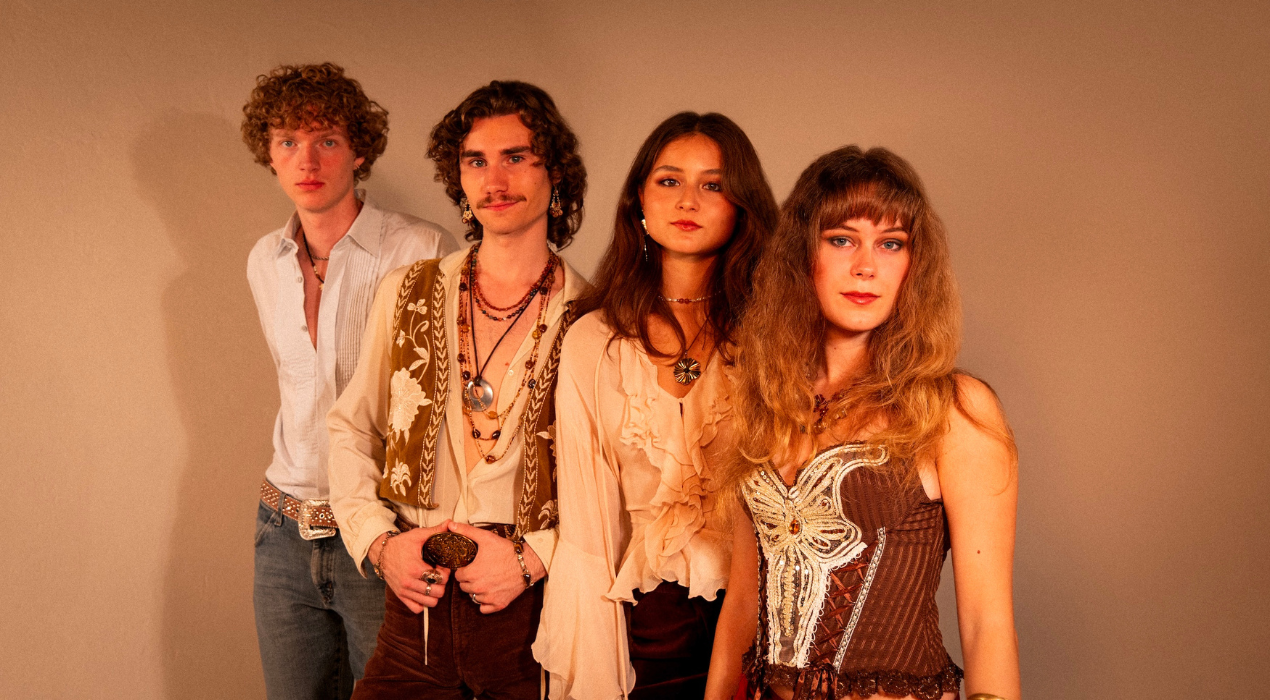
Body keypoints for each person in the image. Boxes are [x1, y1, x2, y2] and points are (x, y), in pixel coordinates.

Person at [704, 146, 1020, 700]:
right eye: (842, 239)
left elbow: (986, 624)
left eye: (890, 243)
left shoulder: (954, 410)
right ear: (803, 254)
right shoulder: (764, 403)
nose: (866, 267)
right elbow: (742, 604)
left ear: (913, 265)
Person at [327, 80, 588, 700]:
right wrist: (379, 543)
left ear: (555, 172)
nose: (495, 179)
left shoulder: (594, 317)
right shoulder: (407, 291)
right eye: (476, 161)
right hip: (413, 615)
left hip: (530, 617)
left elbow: (615, 482)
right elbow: (351, 427)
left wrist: (533, 557)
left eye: (516, 156)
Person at [535, 112, 778, 700]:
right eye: (669, 181)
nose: (687, 200)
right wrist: (598, 675)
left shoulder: (777, 336)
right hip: (650, 628)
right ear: (639, 200)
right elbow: (589, 530)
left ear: (741, 205)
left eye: (713, 184)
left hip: (772, 619)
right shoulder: (595, 341)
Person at [242, 62, 457, 699]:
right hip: (282, 531)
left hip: (383, 532)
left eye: (327, 140)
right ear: (269, 155)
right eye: (288, 141)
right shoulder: (264, 261)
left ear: (359, 150)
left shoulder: (421, 250)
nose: (307, 160)